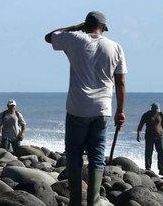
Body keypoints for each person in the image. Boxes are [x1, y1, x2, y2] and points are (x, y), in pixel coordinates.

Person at [45, 11, 127, 206]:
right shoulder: (115, 47)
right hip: (102, 109)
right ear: (103, 28)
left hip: (77, 108)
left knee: (74, 154)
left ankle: (75, 201)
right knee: (97, 157)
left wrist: (74, 27)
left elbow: (49, 37)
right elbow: (121, 83)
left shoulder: (74, 39)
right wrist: (120, 111)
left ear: (85, 25)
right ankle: (93, 201)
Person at [136, 102, 163, 175]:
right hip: (149, 136)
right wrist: (138, 134)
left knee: (161, 152)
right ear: (152, 109)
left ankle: (161, 169)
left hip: (159, 136)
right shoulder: (146, 115)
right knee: (149, 152)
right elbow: (140, 125)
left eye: (157, 110)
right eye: (155, 110)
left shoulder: (161, 114)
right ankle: (148, 168)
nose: (156, 111)